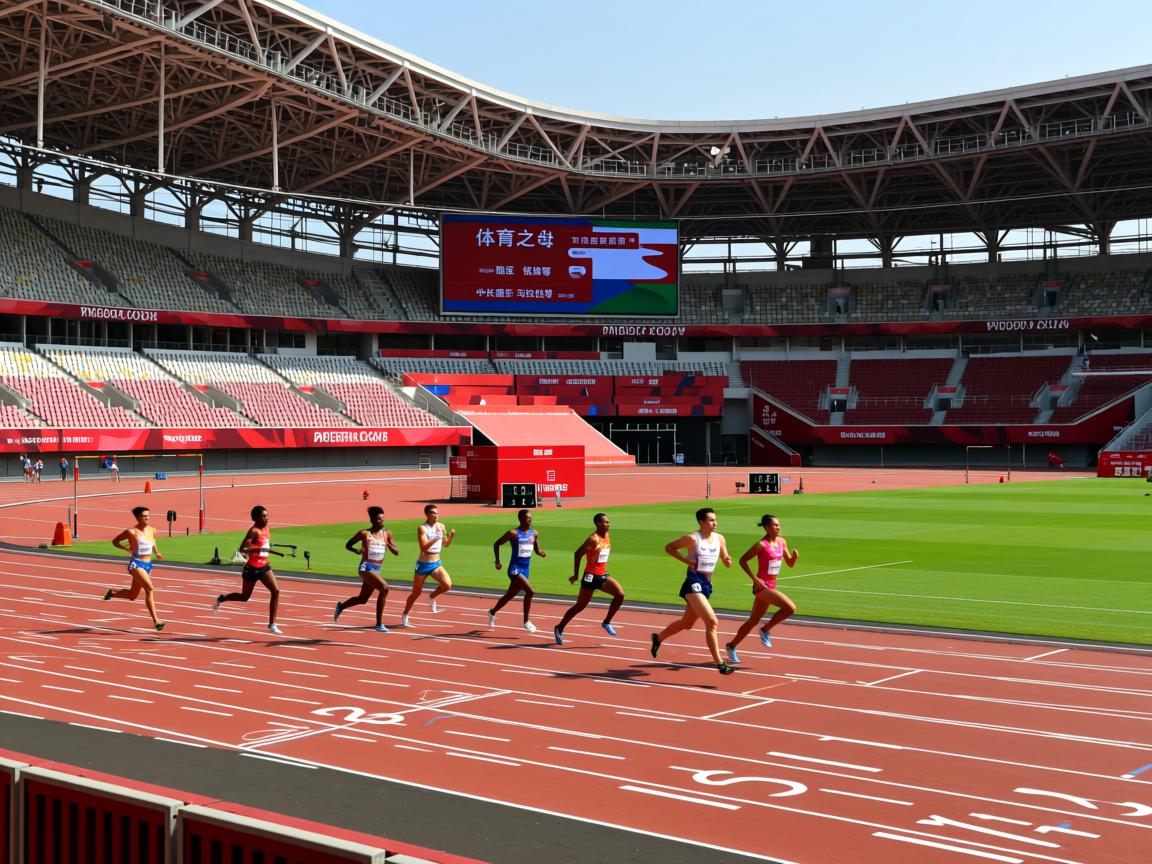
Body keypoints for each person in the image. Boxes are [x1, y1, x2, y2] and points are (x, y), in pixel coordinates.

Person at [649, 507, 736, 675]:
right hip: (693, 582)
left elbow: (726, 557)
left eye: (715, 520)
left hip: (707, 584)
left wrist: (727, 560)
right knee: (712, 621)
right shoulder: (692, 539)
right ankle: (720, 663)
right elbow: (670, 547)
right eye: (711, 520)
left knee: (687, 624)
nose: (715, 523)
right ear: (701, 522)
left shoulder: (720, 539)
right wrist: (686, 561)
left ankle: (657, 638)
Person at [724, 514, 799, 664]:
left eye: (779, 525)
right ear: (766, 527)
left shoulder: (781, 542)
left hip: (772, 584)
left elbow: (789, 563)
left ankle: (731, 646)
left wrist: (794, 558)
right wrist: (754, 578)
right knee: (790, 608)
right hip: (762, 587)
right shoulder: (761, 545)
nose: (778, 527)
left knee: (753, 621)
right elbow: (742, 560)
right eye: (774, 525)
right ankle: (765, 630)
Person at [553, 512, 624, 645]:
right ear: (598, 523)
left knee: (620, 594)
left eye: (609, 522)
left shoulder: (607, 536)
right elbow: (577, 554)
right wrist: (576, 575)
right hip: (590, 577)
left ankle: (606, 622)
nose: (609, 524)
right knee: (580, 606)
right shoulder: (593, 539)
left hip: (602, 575)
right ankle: (559, 627)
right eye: (606, 522)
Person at [213, 505, 284, 634]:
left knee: (276, 591)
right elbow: (242, 549)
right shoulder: (253, 531)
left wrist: (265, 547)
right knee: (245, 597)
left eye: (267, 516)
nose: (266, 518)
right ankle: (221, 598)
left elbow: (264, 544)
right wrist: (257, 549)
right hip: (251, 569)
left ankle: (272, 624)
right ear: (256, 518)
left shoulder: (267, 529)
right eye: (263, 516)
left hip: (264, 567)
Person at [335, 506, 399, 632]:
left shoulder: (387, 534)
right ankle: (379, 624)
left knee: (362, 599)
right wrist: (356, 551)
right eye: (379, 519)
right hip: (366, 567)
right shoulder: (364, 533)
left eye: (383, 518)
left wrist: (388, 543)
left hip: (377, 569)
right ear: (372, 519)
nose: (382, 521)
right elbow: (348, 545)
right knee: (384, 588)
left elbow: (396, 552)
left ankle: (341, 606)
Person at [105, 505, 165, 631]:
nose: (147, 518)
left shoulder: (153, 530)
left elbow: (153, 542)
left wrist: (157, 552)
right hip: (136, 564)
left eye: (148, 515)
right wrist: (127, 549)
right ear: (138, 518)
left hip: (148, 565)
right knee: (150, 588)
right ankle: (156, 621)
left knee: (133, 595)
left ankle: (112, 593)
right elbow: (115, 541)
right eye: (144, 516)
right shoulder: (131, 532)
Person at [489, 509, 546, 632]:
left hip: (525, 570)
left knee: (509, 595)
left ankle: (492, 611)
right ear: (521, 519)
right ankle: (526, 621)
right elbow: (496, 544)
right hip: (514, 569)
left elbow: (536, 550)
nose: (530, 520)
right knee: (530, 591)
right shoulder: (513, 533)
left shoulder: (534, 533)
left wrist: (541, 553)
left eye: (531, 518)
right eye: (528, 518)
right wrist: (497, 561)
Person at [401, 504, 454, 627]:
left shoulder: (441, 526)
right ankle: (405, 615)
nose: (436, 515)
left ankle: (431, 597)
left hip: (436, 563)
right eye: (433, 513)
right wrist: (435, 538)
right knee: (416, 593)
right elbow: (423, 547)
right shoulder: (422, 528)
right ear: (427, 514)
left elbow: (445, 544)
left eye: (437, 513)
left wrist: (451, 537)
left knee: (447, 585)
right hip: (423, 565)